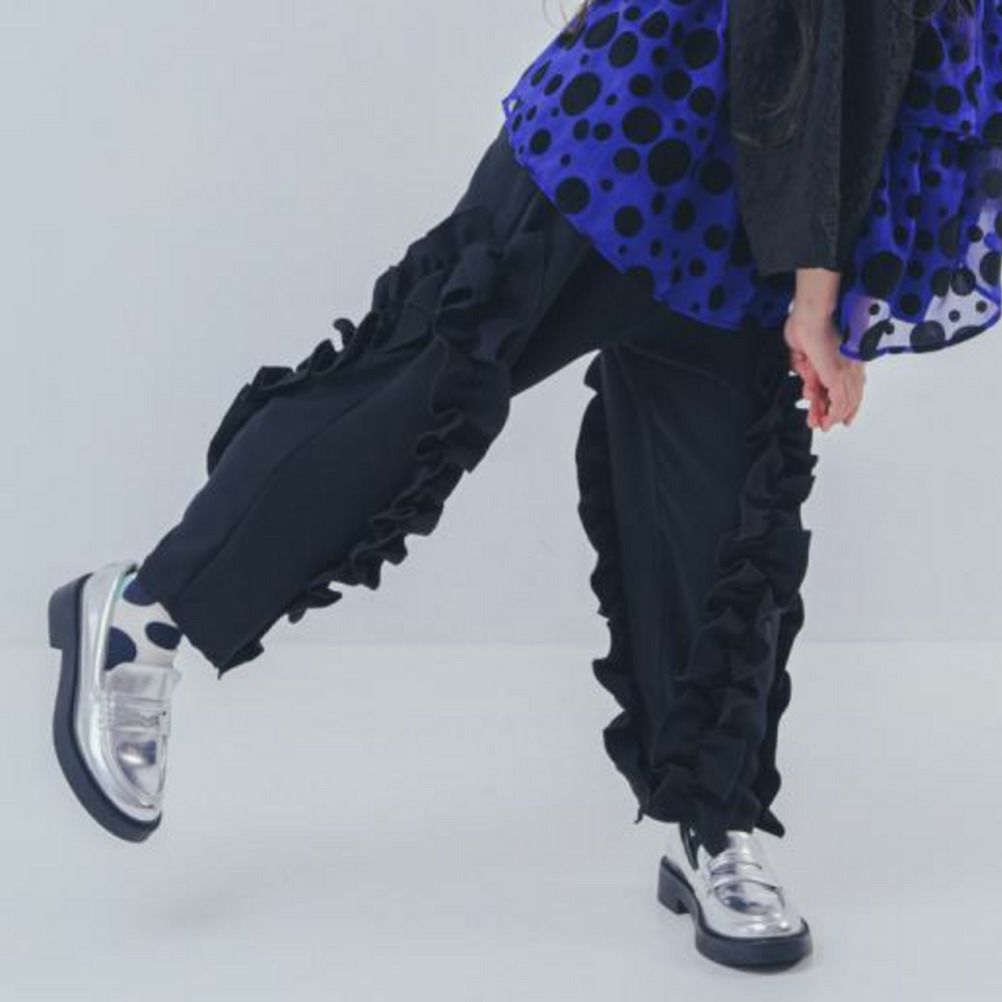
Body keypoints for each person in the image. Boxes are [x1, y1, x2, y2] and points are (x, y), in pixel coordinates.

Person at [46, 0, 1000, 970]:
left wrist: (831, 278)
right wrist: (821, 294)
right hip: (644, 130)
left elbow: (894, 63)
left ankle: (713, 822)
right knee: (423, 388)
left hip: (756, 210)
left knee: (722, 518)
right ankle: (148, 614)